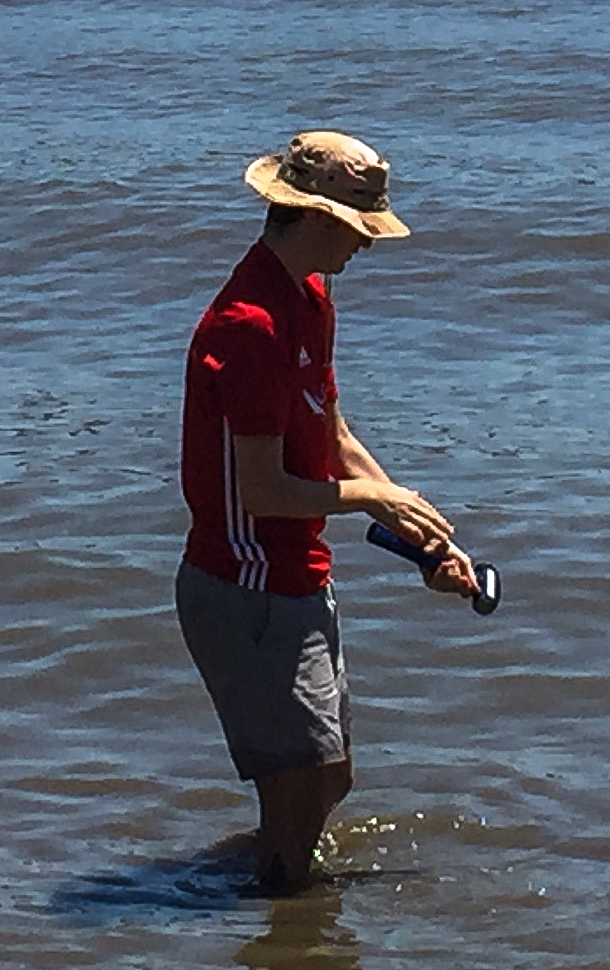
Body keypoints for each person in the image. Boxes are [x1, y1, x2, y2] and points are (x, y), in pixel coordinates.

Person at [176, 130, 478, 895]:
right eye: (361, 228)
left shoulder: (310, 298)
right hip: (245, 588)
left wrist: (427, 537)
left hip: (298, 577)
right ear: (315, 217)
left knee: (331, 777)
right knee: (301, 783)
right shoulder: (250, 325)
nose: (367, 246)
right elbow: (263, 491)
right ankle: (280, 917)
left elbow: (332, 434)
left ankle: (254, 882)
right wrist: (376, 498)